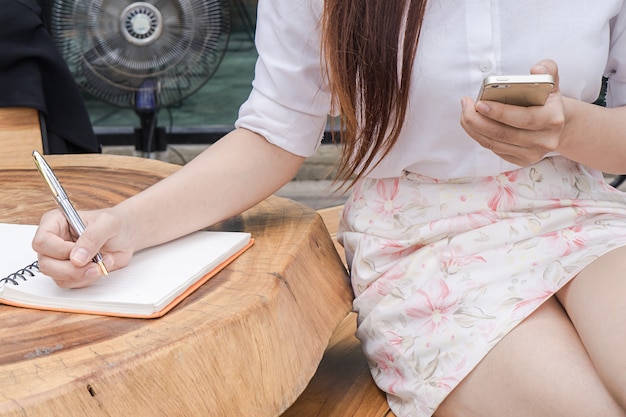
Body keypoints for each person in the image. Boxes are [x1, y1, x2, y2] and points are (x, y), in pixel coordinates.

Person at [32, 1, 626, 416]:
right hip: (419, 236)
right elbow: (274, 133)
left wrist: (568, 127)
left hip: (579, 207)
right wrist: (125, 223)